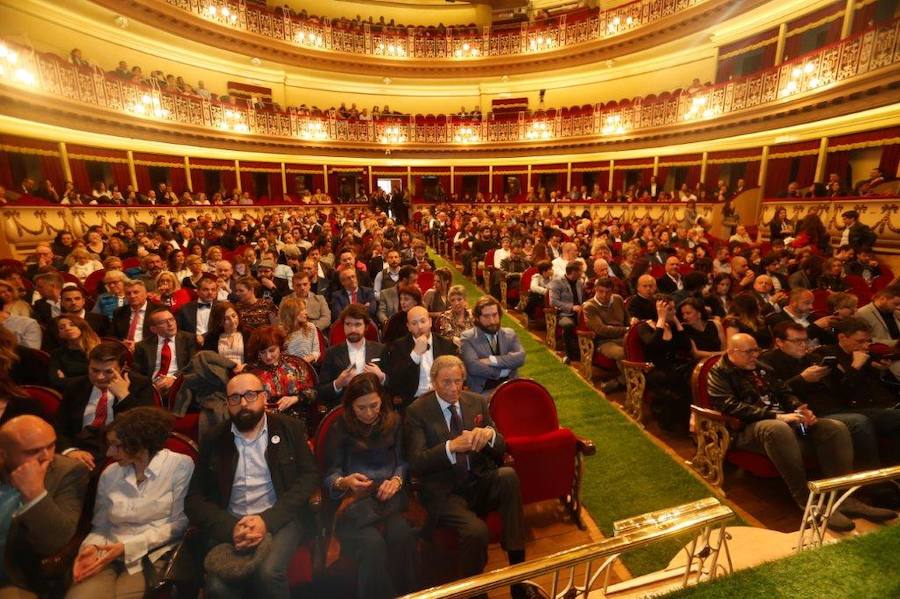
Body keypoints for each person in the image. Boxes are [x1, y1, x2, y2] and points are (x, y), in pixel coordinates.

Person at [706, 333, 891, 530]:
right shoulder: (719, 372)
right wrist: (777, 416)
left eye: (756, 350)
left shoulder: (762, 368)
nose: (755, 355)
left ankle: (841, 496)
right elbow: (729, 406)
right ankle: (807, 502)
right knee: (776, 428)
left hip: (789, 423)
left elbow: (785, 392)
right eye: (749, 352)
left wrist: (799, 408)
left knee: (834, 428)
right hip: (747, 429)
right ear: (732, 351)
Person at [185, 372, 319, 599]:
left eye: (250, 395)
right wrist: (231, 527)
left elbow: (309, 476)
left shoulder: (290, 428)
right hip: (232, 522)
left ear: (264, 397)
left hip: (280, 518)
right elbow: (194, 499)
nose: (243, 403)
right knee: (217, 585)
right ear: (227, 403)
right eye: (235, 398)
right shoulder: (214, 438)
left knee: (268, 573)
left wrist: (266, 520)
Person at [404, 356, 527, 586]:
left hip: (477, 481)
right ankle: (474, 591)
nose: (454, 388)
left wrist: (490, 436)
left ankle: (518, 572)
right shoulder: (417, 412)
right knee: (476, 531)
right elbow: (416, 462)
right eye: (446, 382)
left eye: (458, 381)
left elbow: (501, 448)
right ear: (434, 381)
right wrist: (450, 447)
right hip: (445, 493)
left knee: (508, 476)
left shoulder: (477, 402)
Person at [66, 408, 194, 599]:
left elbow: (180, 524)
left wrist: (128, 547)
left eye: (116, 445)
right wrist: (90, 548)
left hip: (150, 555)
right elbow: (100, 527)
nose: (109, 452)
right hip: (108, 553)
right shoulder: (110, 473)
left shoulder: (179, 465)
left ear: (140, 443)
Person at [322, 373, 417, 599]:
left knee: (402, 535)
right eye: (361, 408)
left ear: (381, 400)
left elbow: (402, 463)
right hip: (355, 504)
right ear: (350, 406)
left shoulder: (394, 421)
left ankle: (410, 593)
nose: (368, 413)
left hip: (388, 499)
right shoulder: (339, 427)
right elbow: (329, 475)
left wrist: (396, 481)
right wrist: (344, 481)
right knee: (372, 545)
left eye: (374, 405)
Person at [761, 322, 898, 480]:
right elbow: (773, 395)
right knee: (859, 422)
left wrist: (864, 370)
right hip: (810, 414)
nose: (803, 345)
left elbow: (845, 389)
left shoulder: (814, 358)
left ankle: (894, 473)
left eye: (805, 340)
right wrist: (802, 379)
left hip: (841, 407)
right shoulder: (768, 362)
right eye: (797, 341)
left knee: (895, 416)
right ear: (779, 342)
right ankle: (872, 482)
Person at [0, 415, 89, 596]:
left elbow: (56, 541)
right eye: (33, 451)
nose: (47, 457)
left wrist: (34, 493)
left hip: (17, 578)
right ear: (3, 454)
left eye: (51, 446)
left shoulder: (68, 472)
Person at [56, 342, 154, 469]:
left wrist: (124, 396)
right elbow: (59, 427)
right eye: (95, 370)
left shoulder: (140, 384)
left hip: (119, 450)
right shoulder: (76, 386)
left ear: (122, 368)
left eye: (108, 372)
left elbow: (144, 428)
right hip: (79, 448)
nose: (100, 377)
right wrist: (70, 451)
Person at [385, 306, 459, 409]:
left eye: (423, 321)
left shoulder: (445, 344)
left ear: (430, 322)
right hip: (413, 401)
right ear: (408, 327)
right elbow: (395, 381)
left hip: (443, 397)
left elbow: (455, 374)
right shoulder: (399, 346)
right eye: (414, 323)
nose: (419, 327)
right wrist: (415, 354)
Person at [318, 305, 387, 408]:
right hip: (344, 409)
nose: (352, 329)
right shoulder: (331, 353)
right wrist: (338, 383)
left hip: (376, 408)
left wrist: (382, 378)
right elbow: (321, 392)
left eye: (357, 324)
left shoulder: (381, 349)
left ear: (366, 326)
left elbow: (393, 385)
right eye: (348, 324)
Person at [459, 296, 525, 394]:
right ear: (477, 318)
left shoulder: (510, 334)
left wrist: (492, 360)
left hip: (511, 388)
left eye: (495, 315)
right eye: (486, 316)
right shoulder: (467, 338)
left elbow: (520, 358)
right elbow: (473, 367)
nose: (492, 321)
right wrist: (502, 372)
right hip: (483, 392)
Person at [246, 326, 314, 414]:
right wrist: (257, 405)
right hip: (267, 417)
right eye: (262, 352)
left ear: (279, 346)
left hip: (298, 414)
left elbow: (313, 392)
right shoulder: (252, 373)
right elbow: (245, 402)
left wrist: (295, 398)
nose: (268, 356)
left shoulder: (295, 364)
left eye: (272, 350)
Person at [133, 308, 199, 395]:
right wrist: (151, 385)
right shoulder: (142, 346)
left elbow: (192, 365)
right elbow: (136, 372)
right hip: (152, 388)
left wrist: (174, 379)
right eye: (163, 322)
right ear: (154, 329)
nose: (170, 324)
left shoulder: (189, 339)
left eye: (172, 319)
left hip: (179, 384)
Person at [582, 277, 628, 393]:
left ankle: (622, 381)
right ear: (595, 289)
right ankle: (628, 383)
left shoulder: (617, 299)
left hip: (623, 337)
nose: (604, 295)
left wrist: (631, 323)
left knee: (643, 347)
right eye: (600, 291)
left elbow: (627, 319)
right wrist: (626, 329)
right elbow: (602, 330)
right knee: (623, 353)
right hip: (604, 342)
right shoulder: (589, 306)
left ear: (612, 291)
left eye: (608, 292)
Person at [765, 288, 836, 348]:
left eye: (812, 303)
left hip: (819, 352)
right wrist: (816, 326)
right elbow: (793, 340)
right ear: (793, 302)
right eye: (807, 303)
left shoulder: (811, 316)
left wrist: (831, 330)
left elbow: (828, 340)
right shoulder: (777, 318)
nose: (811, 307)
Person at [49, 315, 101, 390]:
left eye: (72, 325)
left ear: (81, 327)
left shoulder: (98, 350)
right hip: (71, 392)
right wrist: (90, 377)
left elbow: (103, 377)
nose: (67, 328)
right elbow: (56, 382)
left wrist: (66, 379)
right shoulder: (57, 353)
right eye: (62, 328)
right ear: (59, 334)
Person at [549, 261, 586, 364]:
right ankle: (568, 354)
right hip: (563, 314)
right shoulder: (557, 282)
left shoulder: (579, 282)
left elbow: (582, 299)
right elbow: (553, 302)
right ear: (574, 272)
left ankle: (585, 353)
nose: (582, 273)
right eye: (581, 271)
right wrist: (571, 307)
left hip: (580, 313)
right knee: (568, 325)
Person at [111, 281, 164, 352]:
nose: (132, 296)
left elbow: (163, 335)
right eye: (128, 293)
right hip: (124, 351)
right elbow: (113, 336)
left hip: (150, 350)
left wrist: (138, 346)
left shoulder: (159, 310)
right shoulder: (119, 312)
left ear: (146, 294)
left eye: (136, 292)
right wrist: (121, 344)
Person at [176, 274, 219, 345]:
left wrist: (204, 336)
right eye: (205, 289)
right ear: (197, 291)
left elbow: (221, 328)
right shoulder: (185, 308)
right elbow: (179, 330)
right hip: (191, 344)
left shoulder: (221, 307)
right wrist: (194, 337)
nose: (210, 292)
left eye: (213, 290)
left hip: (215, 344)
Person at [279, 298, 321, 363]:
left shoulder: (310, 327)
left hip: (308, 365)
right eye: (302, 310)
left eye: (305, 309)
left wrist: (304, 361)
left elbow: (316, 352)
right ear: (292, 312)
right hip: (288, 366)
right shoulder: (280, 331)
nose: (306, 313)